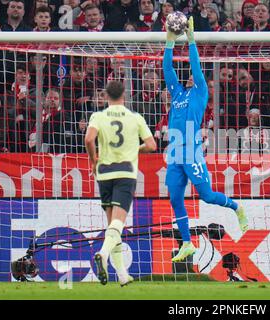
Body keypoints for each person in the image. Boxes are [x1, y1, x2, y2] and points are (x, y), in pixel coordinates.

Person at [163, 16, 248, 263]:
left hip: (192, 149)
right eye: (188, 75)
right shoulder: (177, 92)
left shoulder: (200, 93)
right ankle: (187, 243)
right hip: (175, 151)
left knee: (207, 196)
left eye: (193, 75)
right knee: (175, 198)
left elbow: (197, 67)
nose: (190, 76)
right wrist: (169, 42)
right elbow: (168, 70)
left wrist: (191, 41)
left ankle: (237, 208)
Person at [85, 81, 157, 286]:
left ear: (106, 96)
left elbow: (89, 139)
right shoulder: (135, 118)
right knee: (119, 222)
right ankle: (103, 253)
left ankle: (122, 275)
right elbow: (152, 145)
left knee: (111, 225)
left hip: (104, 173)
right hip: (125, 172)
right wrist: (135, 149)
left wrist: (93, 160)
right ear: (124, 95)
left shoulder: (98, 116)